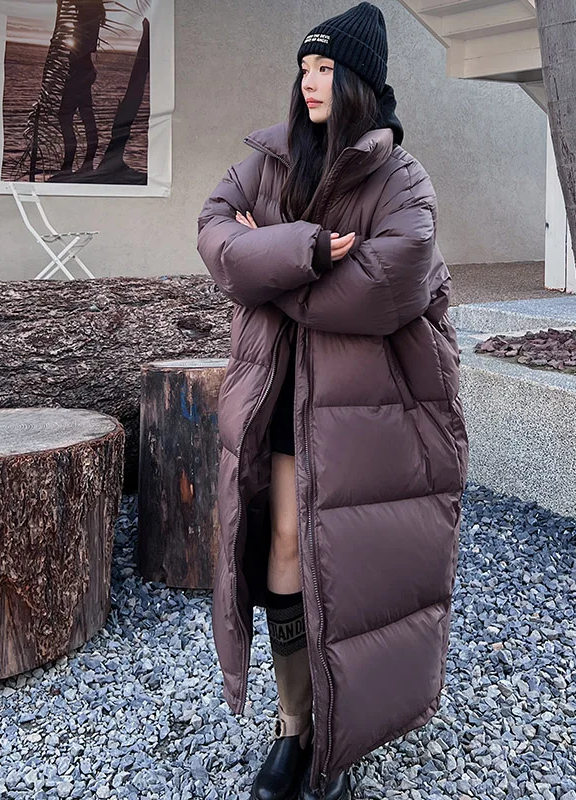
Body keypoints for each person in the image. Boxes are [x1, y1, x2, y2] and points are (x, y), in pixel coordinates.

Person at [196, 4, 469, 799]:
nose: (309, 82)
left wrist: (270, 271)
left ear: (359, 82)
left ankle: (346, 727)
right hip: (282, 396)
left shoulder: (401, 178)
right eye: (304, 68)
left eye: (325, 69)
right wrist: (306, 250)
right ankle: (295, 724)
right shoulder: (269, 159)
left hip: (366, 409)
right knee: (282, 548)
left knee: (346, 570)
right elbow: (217, 236)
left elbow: (387, 289)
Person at [57, 0, 105, 175]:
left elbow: (85, 47)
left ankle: (73, 163)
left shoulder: (89, 13)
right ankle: (78, 163)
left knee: (68, 114)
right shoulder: (88, 13)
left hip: (80, 72)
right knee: (81, 115)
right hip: (80, 71)